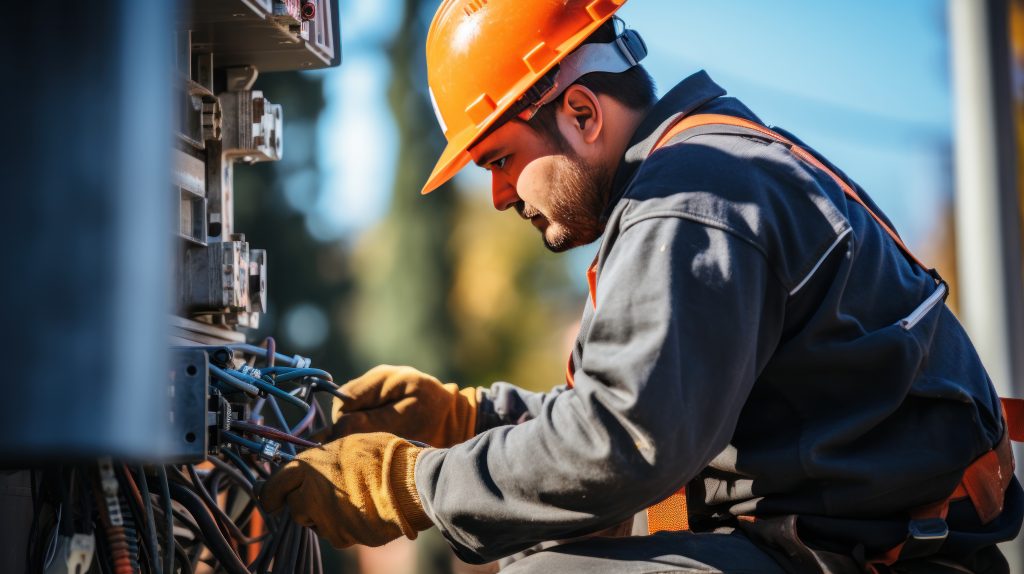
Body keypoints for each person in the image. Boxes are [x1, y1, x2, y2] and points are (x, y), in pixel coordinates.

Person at [260, 1, 1024, 572]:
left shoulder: (691, 201)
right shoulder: (704, 170)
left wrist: (408, 485)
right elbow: (643, 406)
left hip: (887, 556)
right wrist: (468, 419)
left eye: (499, 159)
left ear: (583, 112)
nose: (497, 196)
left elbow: (622, 445)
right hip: (861, 538)